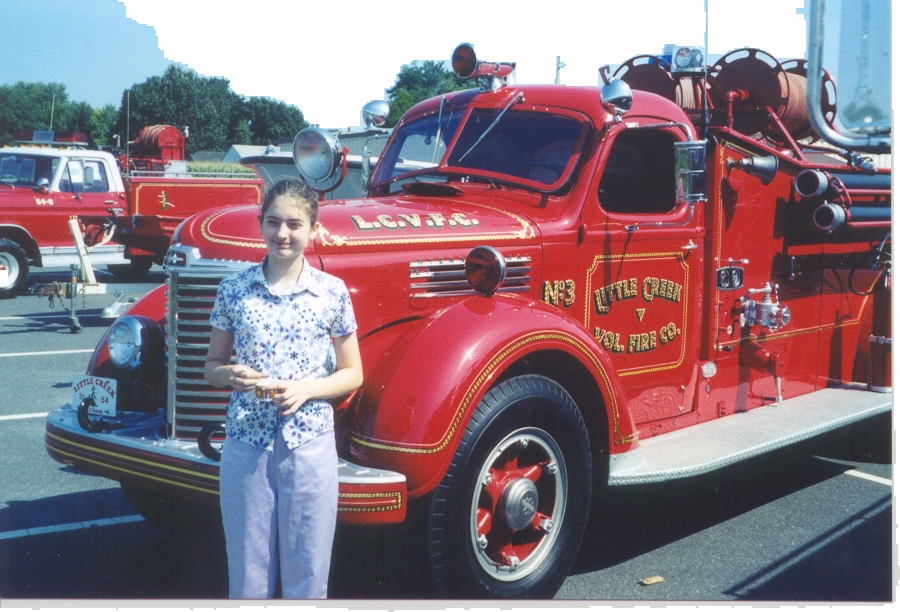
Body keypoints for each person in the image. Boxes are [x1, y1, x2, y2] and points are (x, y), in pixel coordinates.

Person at [204, 178, 363, 599]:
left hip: (309, 443)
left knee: (308, 574)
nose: (283, 234)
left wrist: (307, 390)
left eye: (295, 224)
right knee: (247, 574)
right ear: (260, 224)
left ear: (314, 230)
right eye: (273, 222)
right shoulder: (234, 289)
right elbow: (211, 366)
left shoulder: (332, 292)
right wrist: (229, 375)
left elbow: (352, 373)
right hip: (246, 444)